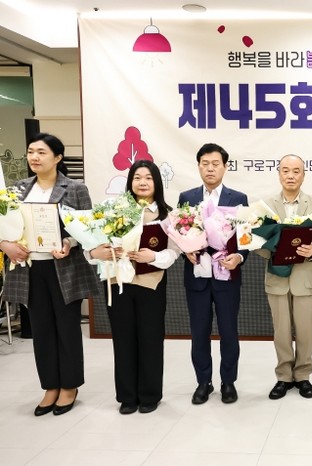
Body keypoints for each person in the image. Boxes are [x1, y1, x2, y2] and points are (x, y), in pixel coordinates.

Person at [0, 133, 99, 416]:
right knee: (41, 329)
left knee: (67, 328)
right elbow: (4, 224)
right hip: (30, 268)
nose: (34, 157)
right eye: (31, 151)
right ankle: (50, 386)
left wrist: (69, 242)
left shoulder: (75, 188)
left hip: (63, 268)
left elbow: (87, 227)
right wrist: (5, 244)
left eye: (41, 152)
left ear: (57, 157)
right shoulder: (18, 189)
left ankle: (69, 385)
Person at [88, 160, 178, 414]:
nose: (142, 182)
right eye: (137, 178)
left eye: (148, 178)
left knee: (151, 339)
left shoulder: (167, 215)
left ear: (156, 182)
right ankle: (127, 396)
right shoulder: (114, 211)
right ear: (130, 182)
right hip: (119, 283)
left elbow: (174, 252)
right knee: (123, 339)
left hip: (151, 283)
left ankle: (150, 395)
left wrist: (153, 256)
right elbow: (92, 245)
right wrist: (97, 252)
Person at [179, 143, 248, 405]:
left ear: (225, 167)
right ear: (198, 166)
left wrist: (239, 257)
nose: (210, 168)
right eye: (205, 163)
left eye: (215, 164)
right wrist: (186, 251)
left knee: (229, 330)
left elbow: (245, 238)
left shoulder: (238, 198)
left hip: (226, 275)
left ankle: (228, 382)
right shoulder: (187, 197)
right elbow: (180, 232)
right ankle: (203, 382)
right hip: (197, 274)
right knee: (199, 331)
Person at [256, 154, 312, 400]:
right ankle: (284, 376)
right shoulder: (264, 206)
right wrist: (272, 248)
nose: (290, 176)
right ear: (278, 174)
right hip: (277, 277)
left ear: (303, 175)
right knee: (281, 332)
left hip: (306, 277)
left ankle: (303, 375)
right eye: (285, 170)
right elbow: (256, 240)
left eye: (296, 171)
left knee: (306, 331)